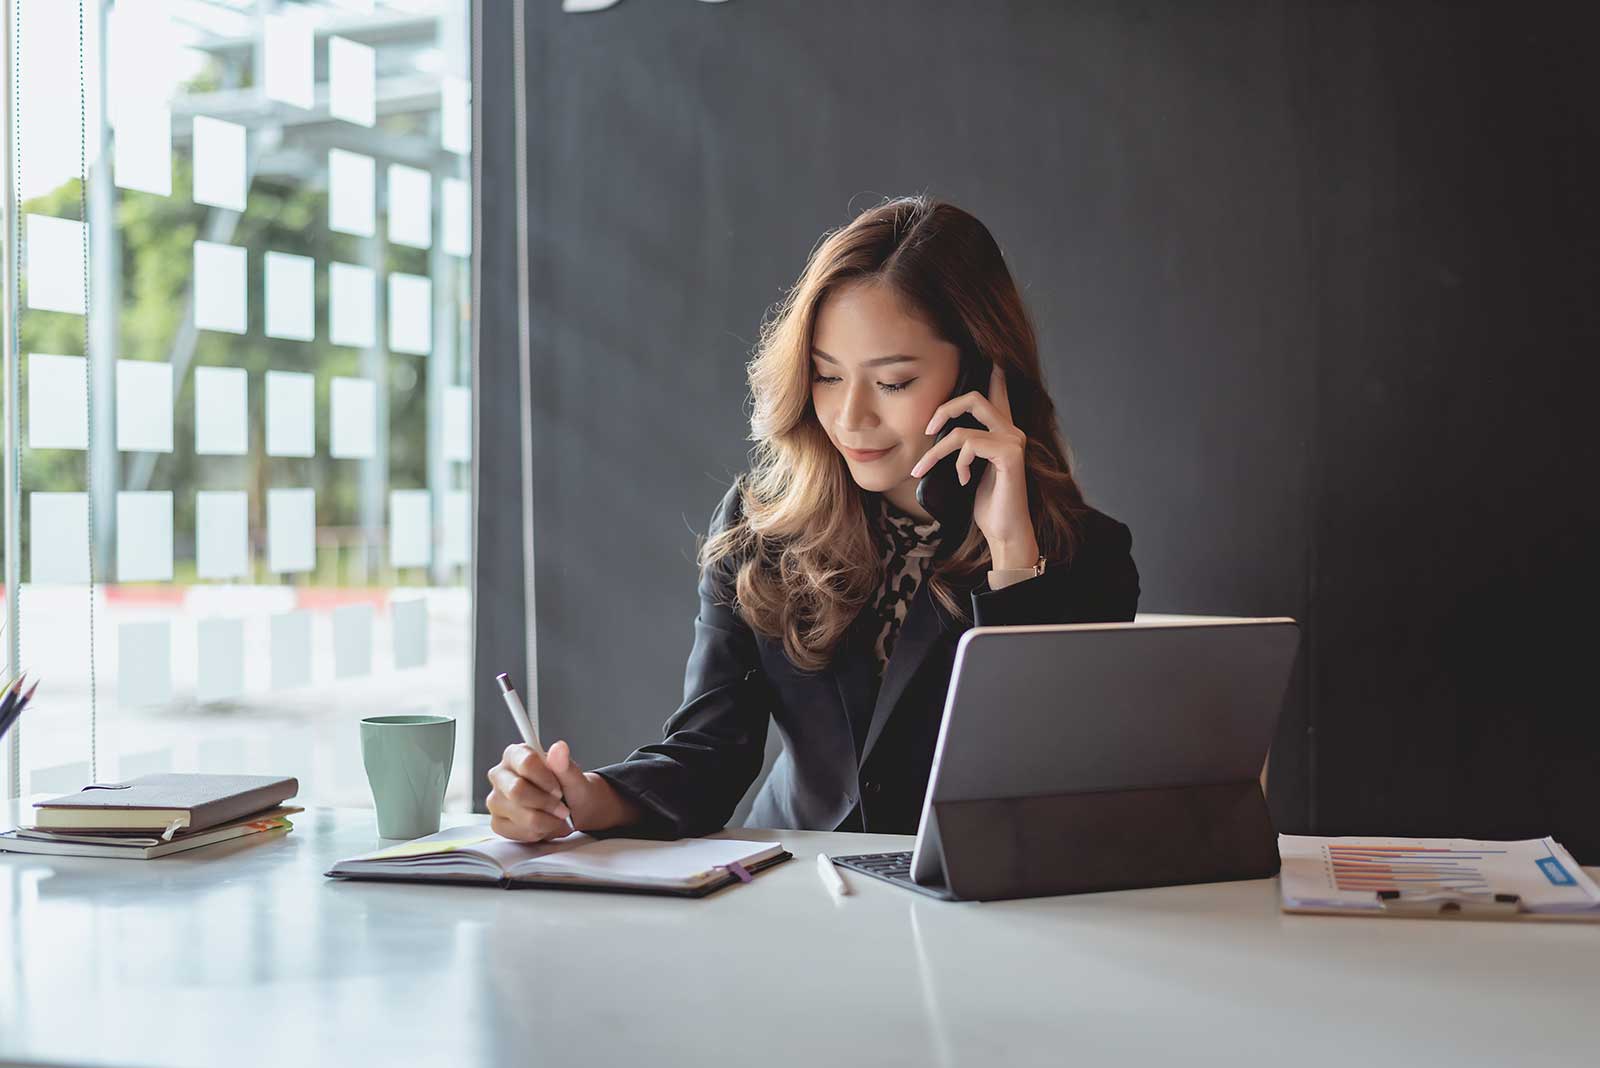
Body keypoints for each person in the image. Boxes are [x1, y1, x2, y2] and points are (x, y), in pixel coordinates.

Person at [486, 195, 1140, 841]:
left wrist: (1011, 558)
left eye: (892, 383)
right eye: (828, 376)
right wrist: (585, 798)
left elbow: (1042, 792)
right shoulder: (760, 526)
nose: (850, 418)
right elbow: (707, 754)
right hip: (793, 896)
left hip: (968, 917)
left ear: (981, 375)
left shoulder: (1087, 554)